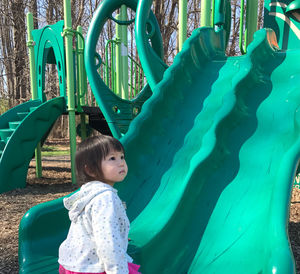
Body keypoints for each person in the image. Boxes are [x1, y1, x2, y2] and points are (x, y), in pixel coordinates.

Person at [58, 135, 141, 274]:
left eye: (122, 157)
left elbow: (96, 228)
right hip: (93, 268)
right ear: (90, 169)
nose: (121, 163)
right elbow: (107, 243)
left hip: (72, 264)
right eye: (112, 159)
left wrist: (118, 235)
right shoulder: (106, 197)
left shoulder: (89, 191)